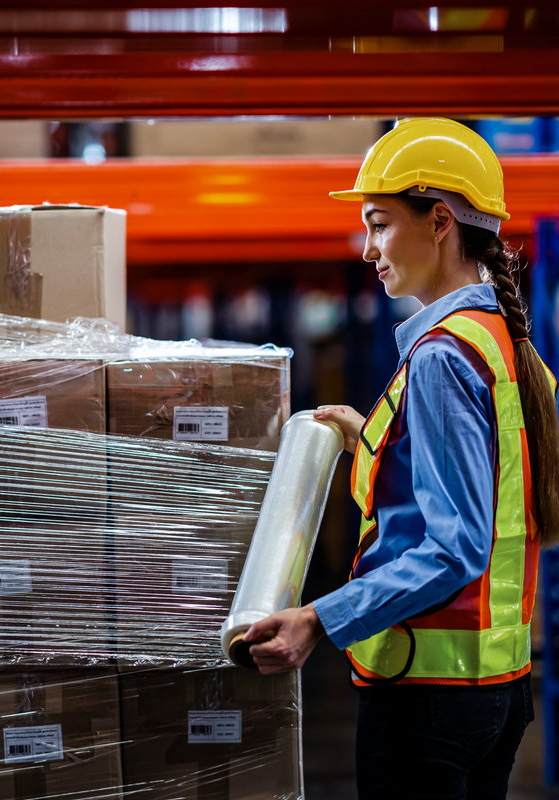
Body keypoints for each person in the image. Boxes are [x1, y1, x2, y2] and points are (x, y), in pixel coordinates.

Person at [241, 117, 559, 800]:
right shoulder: (503, 341)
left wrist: (318, 619)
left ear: (440, 220)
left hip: (427, 702)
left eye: (380, 223)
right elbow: (493, 484)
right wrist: (374, 436)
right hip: (496, 694)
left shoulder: (443, 355)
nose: (368, 249)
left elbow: (457, 547)